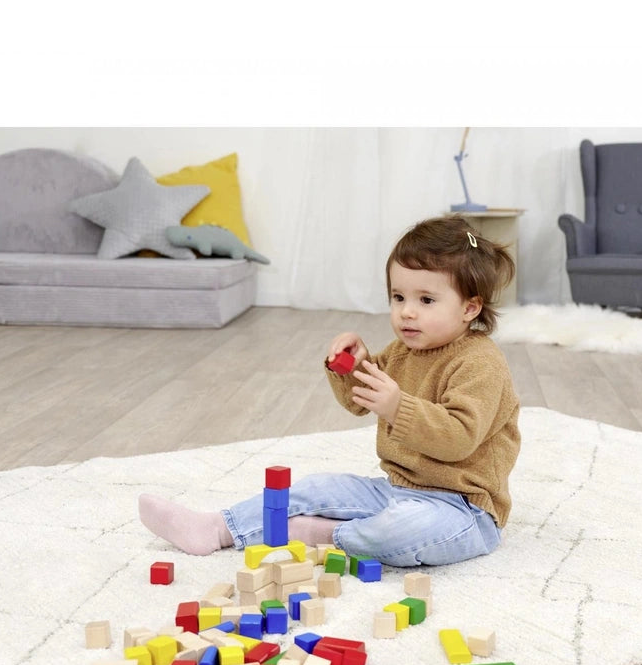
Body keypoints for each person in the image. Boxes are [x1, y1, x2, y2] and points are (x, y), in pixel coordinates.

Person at [138, 214, 521, 567]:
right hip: (396, 488)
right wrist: (353, 367)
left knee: (396, 531)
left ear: (470, 308)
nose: (406, 312)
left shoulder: (481, 363)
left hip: (462, 508)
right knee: (315, 487)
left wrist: (397, 407)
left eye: (426, 300)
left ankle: (321, 534)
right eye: (398, 297)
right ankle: (218, 527)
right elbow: (358, 403)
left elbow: (459, 438)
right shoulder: (405, 352)